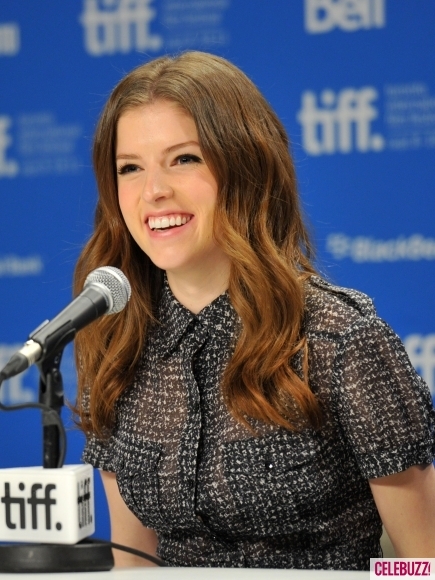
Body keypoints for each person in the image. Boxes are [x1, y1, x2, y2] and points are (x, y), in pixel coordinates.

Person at [74, 51, 435, 570]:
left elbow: (420, 561)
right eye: (129, 168)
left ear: (245, 167)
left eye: (185, 159)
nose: (154, 191)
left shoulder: (340, 340)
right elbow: (135, 563)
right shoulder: (115, 342)